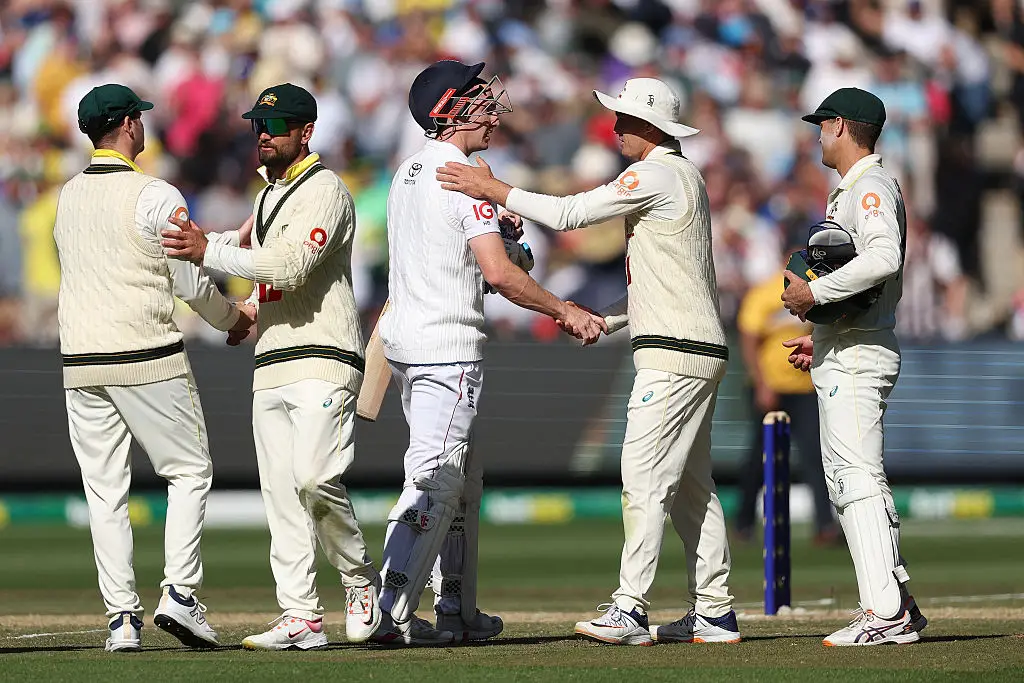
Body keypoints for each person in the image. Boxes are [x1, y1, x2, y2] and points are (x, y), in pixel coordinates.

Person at [438, 77, 740, 646]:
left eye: (624, 119)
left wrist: (494, 188)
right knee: (694, 487)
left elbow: (572, 213)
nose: (615, 127)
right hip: (692, 343)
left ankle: (630, 608)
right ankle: (715, 611)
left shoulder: (655, 172)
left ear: (651, 127)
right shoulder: (683, 176)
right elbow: (673, 280)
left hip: (674, 354)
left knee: (643, 478)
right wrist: (610, 320)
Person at [372, 60, 604, 646]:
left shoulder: (408, 171)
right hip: (446, 348)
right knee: (436, 481)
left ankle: (456, 607)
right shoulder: (464, 174)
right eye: (478, 96)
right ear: (449, 109)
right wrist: (566, 310)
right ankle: (391, 608)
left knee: (462, 483)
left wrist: (508, 232)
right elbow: (500, 277)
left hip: (411, 343)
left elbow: (497, 258)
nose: (492, 105)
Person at [161, 83, 383, 650]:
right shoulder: (266, 197)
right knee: (282, 496)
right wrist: (247, 305)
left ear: (305, 132)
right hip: (272, 360)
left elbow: (290, 266)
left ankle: (359, 579)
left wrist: (205, 250)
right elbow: (265, 277)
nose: (262, 135)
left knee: (314, 478)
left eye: (275, 126)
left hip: (326, 355)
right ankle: (301, 616)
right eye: (257, 125)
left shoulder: (326, 190)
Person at [55, 83, 255, 652]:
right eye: (138, 118)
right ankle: (181, 597)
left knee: (104, 491)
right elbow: (189, 281)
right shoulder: (156, 193)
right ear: (125, 125)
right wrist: (233, 320)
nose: (145, 126)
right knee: (189, 473)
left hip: (81, 362)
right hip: (146, 356)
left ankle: (121, 619)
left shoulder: (66, 194)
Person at [781, 87, 928, 646]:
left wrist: (814, 298)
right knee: (849, 481)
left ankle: (885, 615)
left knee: (856, 480)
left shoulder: (867, 187)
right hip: (847, 346)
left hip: (861, 353)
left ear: (840, 126)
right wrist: (821, 335)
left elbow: (883, 257)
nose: (817, 133)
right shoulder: (858, 187)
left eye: (822, 124)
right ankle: (899, 604)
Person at [735, 245, 840, 546]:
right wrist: (762, 384)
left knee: (815, 457)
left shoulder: (813, 291)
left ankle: (824, 526)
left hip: (805, 389)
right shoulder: (765, 293)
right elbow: (749, 341)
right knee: (759, 458)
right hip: (771, 388)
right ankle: (743, 524)